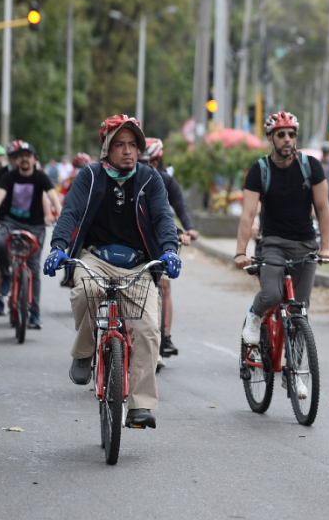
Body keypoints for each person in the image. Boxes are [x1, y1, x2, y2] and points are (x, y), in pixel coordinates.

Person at [43, 114, 181, 429]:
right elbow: (70, 213)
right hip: (96, 259)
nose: (128, 151)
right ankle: (84, 351)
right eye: (119, 144)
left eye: (133, 144)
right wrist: (58, 247)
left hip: (138, 263)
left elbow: (163, 217)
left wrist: (170, 250)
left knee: (147, 330)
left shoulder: (150, 179)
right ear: (106, 147)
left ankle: (141, 406)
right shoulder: (89, 177)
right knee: (86, 291)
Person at [235, 111, 329, 372]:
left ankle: (295, 367)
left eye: (291, 134)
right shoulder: (260, 170)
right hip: (273, 244)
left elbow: (323, 209)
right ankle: (254, 317)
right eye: (281, 135)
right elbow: (247, 214)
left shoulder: (311, 167)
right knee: (272, 294)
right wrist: (240, 252)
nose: (287, 139)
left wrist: (325, 247)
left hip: (305, 244)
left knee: (300, 309)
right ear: (270, 138)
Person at [0, 140, 61, 328]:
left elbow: (53, 197)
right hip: (10, 223)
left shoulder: (41, 177)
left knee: (34, 268)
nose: (25, 159)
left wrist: (60, 215)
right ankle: (6, 276)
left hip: (35, 226)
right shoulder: (9, 177)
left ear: (35, 159)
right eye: (21, 157)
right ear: (17, 160)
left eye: (29, 156)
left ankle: (34, 313)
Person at [140, 138, 198, 361]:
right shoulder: (129, 180)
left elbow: (178, 209)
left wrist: (188, 230)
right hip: (138, 239)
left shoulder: (166, 181)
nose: (148, 168)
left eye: (151, 163)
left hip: (161, 239)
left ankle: (165, 336)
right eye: (143, 162)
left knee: (164, 284)